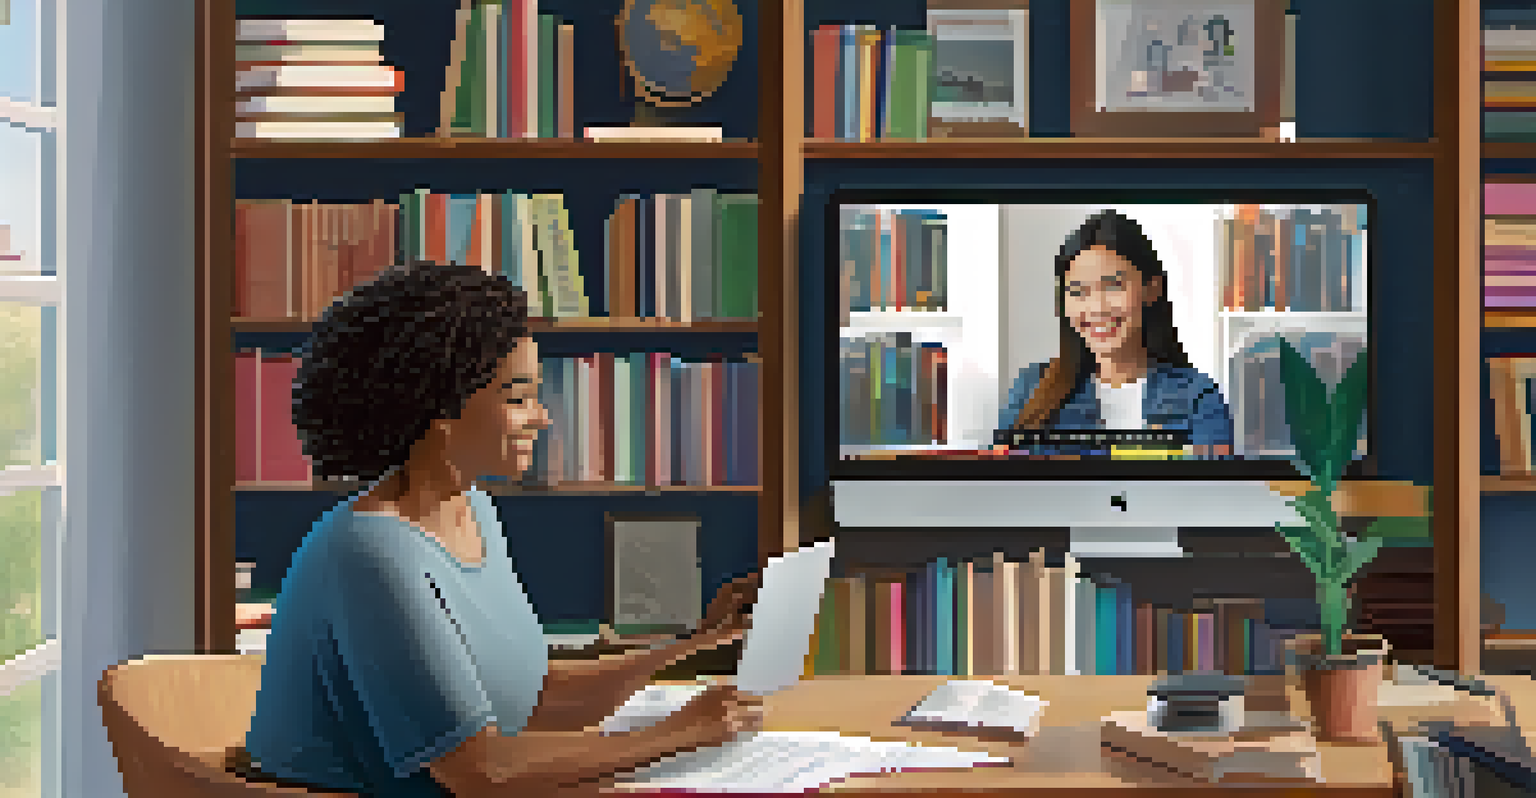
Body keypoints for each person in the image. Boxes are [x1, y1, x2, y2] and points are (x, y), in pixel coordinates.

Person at [242, 260, 764, 797]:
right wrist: (682, 731)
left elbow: (537, 699)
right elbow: (479, 771)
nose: (542, 417)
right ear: (438, 410)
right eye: (518, 398)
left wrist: (695, 643)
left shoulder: (475, 509)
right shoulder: (371, 552)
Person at [995, 210, 1233, 458]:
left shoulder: (1199, 398)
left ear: (1152, 289)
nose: (1097, 307)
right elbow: (1002, 490)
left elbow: (1213, 493)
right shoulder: (1030, 390)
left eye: (1113, 286)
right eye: (1078, 292)